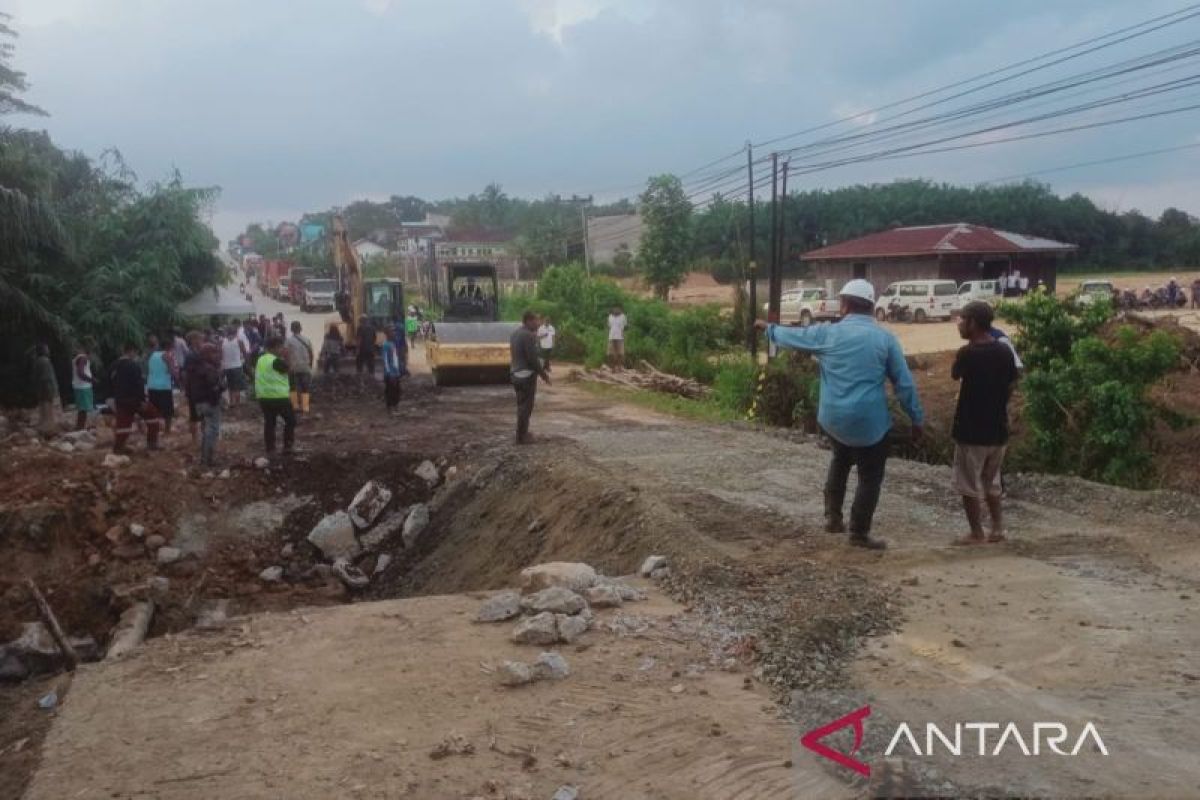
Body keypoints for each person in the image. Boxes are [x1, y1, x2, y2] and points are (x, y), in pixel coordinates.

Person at [756, 279, 924, 549]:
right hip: (870, 423)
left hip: (833, 419)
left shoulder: (827, 334)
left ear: (845, 304)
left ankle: (833, 518)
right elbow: (904, 384)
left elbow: (795, 336)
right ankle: (858, 533)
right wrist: (916, 418)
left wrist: (769, 330)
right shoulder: (885, 339)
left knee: (840, 459)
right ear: (871, 306)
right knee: (870, 476)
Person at [951, 302, 1019, 545]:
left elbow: (956, 374)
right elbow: (1012, 382)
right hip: (998, 430)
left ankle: (976, 532)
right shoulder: (1003, 351)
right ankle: (998, 529)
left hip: (971, 431)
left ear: (973, 323)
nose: (959, 324)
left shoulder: (967, 353)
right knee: (992, 482)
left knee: (968, 484)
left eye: (963, 319)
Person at [110, 342, 162, 454]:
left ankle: (118, 447)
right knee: (153, 416)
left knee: (123, 424)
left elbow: (109, 382)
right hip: (134, 400)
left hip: (120, 400)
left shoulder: (114, 365)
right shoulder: (133, 365)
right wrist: (142, 400)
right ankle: (152, 443)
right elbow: (138, 384)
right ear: (132, 351)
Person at [510, 311, 551, 444]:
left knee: (521, 405)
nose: (538, 324)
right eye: (536, 321)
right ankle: (522, 437)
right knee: (526, 407)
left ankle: (522, 433)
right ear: (528, 321)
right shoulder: (528, 335)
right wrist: (544, 375)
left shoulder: (515, 334)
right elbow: (532, 359)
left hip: (515, 374)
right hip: (526, 375)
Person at [186, 342, 225, 467]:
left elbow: (189, 387)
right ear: (207, 354)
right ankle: (207, 460)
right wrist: (222, 386)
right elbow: (214, 386)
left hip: (198, 404)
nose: (216, 355)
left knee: (207, 430)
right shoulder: (208, 368)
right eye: (214, 352)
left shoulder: (194, 368)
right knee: (212, 431)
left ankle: (205, 459)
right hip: (210, 403)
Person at [255, 336, 296, 455]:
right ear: (275, 347)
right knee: (291, 421)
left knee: (270, 423)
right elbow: (290, 370)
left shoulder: (261, 359)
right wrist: (288, 357)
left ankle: (270, 448)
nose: (282, 349)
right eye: (281, 347)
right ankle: (288, 446)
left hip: (264, 397)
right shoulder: (275, 361)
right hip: (279, 397)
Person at [146, 337, 176, 434]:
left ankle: (155, 430)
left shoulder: (152, 355)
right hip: (164, 386)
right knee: (168, 411)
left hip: (151, 385)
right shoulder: (167, 355)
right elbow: (172, 371)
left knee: (154, 410)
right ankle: (167, 430)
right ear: (168, 346)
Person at [286, 321, 315, 414]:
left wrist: (288, 366)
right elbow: (311, 354)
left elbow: (285, 354)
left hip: (294, 367)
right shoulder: (307, 340)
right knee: (305, 387)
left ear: (291, 329)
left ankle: (295, 406)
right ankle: (305, 407)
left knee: (293, 386)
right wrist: (310, 364)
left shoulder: (288, 341)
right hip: (305, 367)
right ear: (300, 328)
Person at [33, 343, 60, 435]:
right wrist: (51, 392)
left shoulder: (37, 361)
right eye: (47, 349)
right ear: (43, 350)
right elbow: (47, 379)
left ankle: (44, 430)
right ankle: (47, 432)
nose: (48, 351)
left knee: (43, 412)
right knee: (48, 412)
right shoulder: (45, 361)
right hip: (46, 391)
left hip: (41, 391)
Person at [382, 321, 408, 415]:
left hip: (395, 373)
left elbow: (395, 359)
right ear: (387, 333)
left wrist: (399, 370)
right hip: (390, 374)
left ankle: (395, 407)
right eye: (392, 331)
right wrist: (389, 373)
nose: (394, 333)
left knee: (397, 391)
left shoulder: (393, 344)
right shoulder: (386, 345)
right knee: (390, 391)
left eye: (394, 331)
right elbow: (385, 361)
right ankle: (390, 408)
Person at [220, 326, 247, 407]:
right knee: (237, 387)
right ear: (236, 333)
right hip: (237, 366)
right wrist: (246, 363)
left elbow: (221, 355)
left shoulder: (223, 341)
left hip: (227, 367)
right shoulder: (239, 341)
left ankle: (231, 402)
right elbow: (245, 353)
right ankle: (237, 403)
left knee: (231, 386)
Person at [71, 345, 96, 431]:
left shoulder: (78, 358)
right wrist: (92, 380)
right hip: (83, 387)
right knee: (83, 409)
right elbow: (80, 373)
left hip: (80, 386)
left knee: (83, 409)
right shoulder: (83, 358)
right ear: (90, 353)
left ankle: (80, 427)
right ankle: (80, 428)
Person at [607, 305, 627, 369]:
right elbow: (609, 326)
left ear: (620, 309)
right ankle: (612, 367)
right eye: (615, 308)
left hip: (620, 337)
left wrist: (623, 335)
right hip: (611, 337)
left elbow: (624, 326)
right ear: (613, 309)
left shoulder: (623, 317)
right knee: (610, 353)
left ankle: (620, 367)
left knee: (620, 353)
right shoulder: (610, 317)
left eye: (618, 308)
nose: (616, 310)